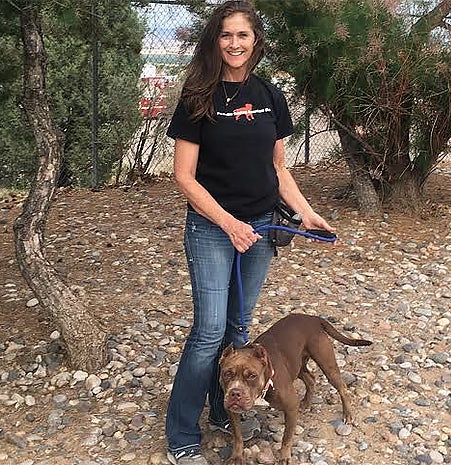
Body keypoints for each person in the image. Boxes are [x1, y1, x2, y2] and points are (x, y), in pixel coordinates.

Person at [164, 2, 335, 464]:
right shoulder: (198, 95)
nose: (234, 44)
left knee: (240, 327)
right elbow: (184, 176)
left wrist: (305, 213)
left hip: (261, 226)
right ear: (214, 42)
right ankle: (181, 432)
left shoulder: (270, 96)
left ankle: (226, 408)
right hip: (212, 227)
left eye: (243, 35)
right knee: (209, 330)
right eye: (225, 36)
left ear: (255, 40)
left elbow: (277, 166)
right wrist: (228, 223)